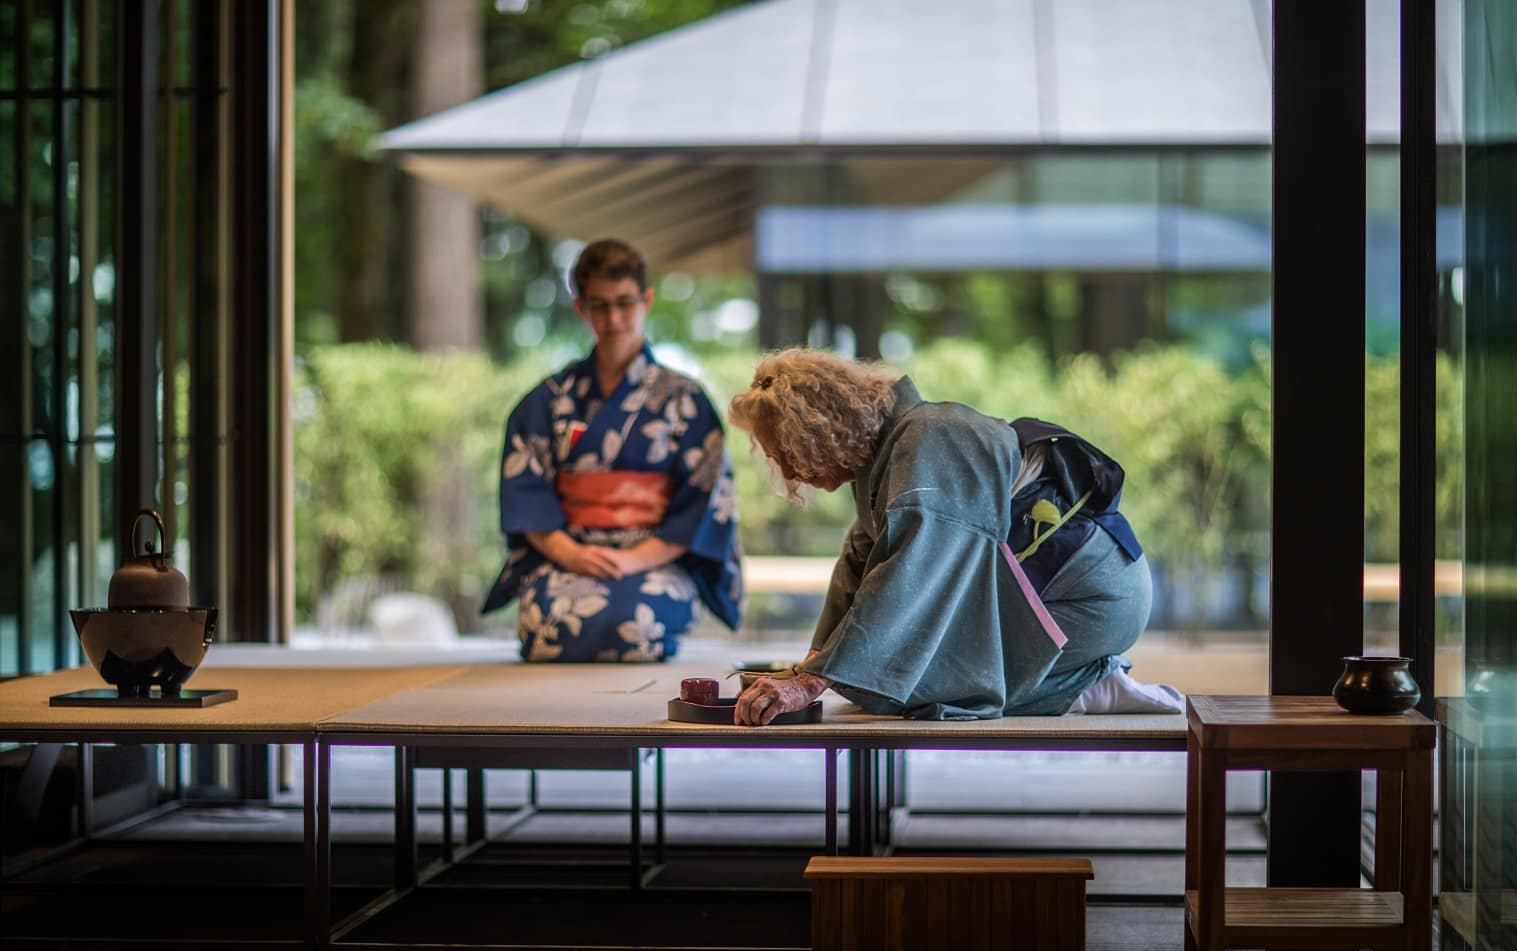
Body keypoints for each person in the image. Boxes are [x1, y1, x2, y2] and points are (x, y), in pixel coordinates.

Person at [726, 348, 1181, 725]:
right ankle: (1073, 679)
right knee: (872, 683)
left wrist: (813, 681)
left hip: (1090, 598)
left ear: (820, 433)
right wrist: (813, 667)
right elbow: (859, 562)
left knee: (921, 686)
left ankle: (1087, 685)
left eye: (786, 452)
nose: (787, 471)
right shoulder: (893, 456)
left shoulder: (930, 440)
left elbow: (910, 571)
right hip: (1058, 593)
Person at [481, 239, 741, 661]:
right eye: (599, 305)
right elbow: (525, 491)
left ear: (647, 299)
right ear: (580, 307)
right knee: (545, 628)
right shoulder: (548, 399)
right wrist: (574, 554)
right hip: (568, 556)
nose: (614, 318)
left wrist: (634, 560)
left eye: (625, 303)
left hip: (655, 560)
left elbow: (704, 503)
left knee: (634, 625)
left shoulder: (685, 400)